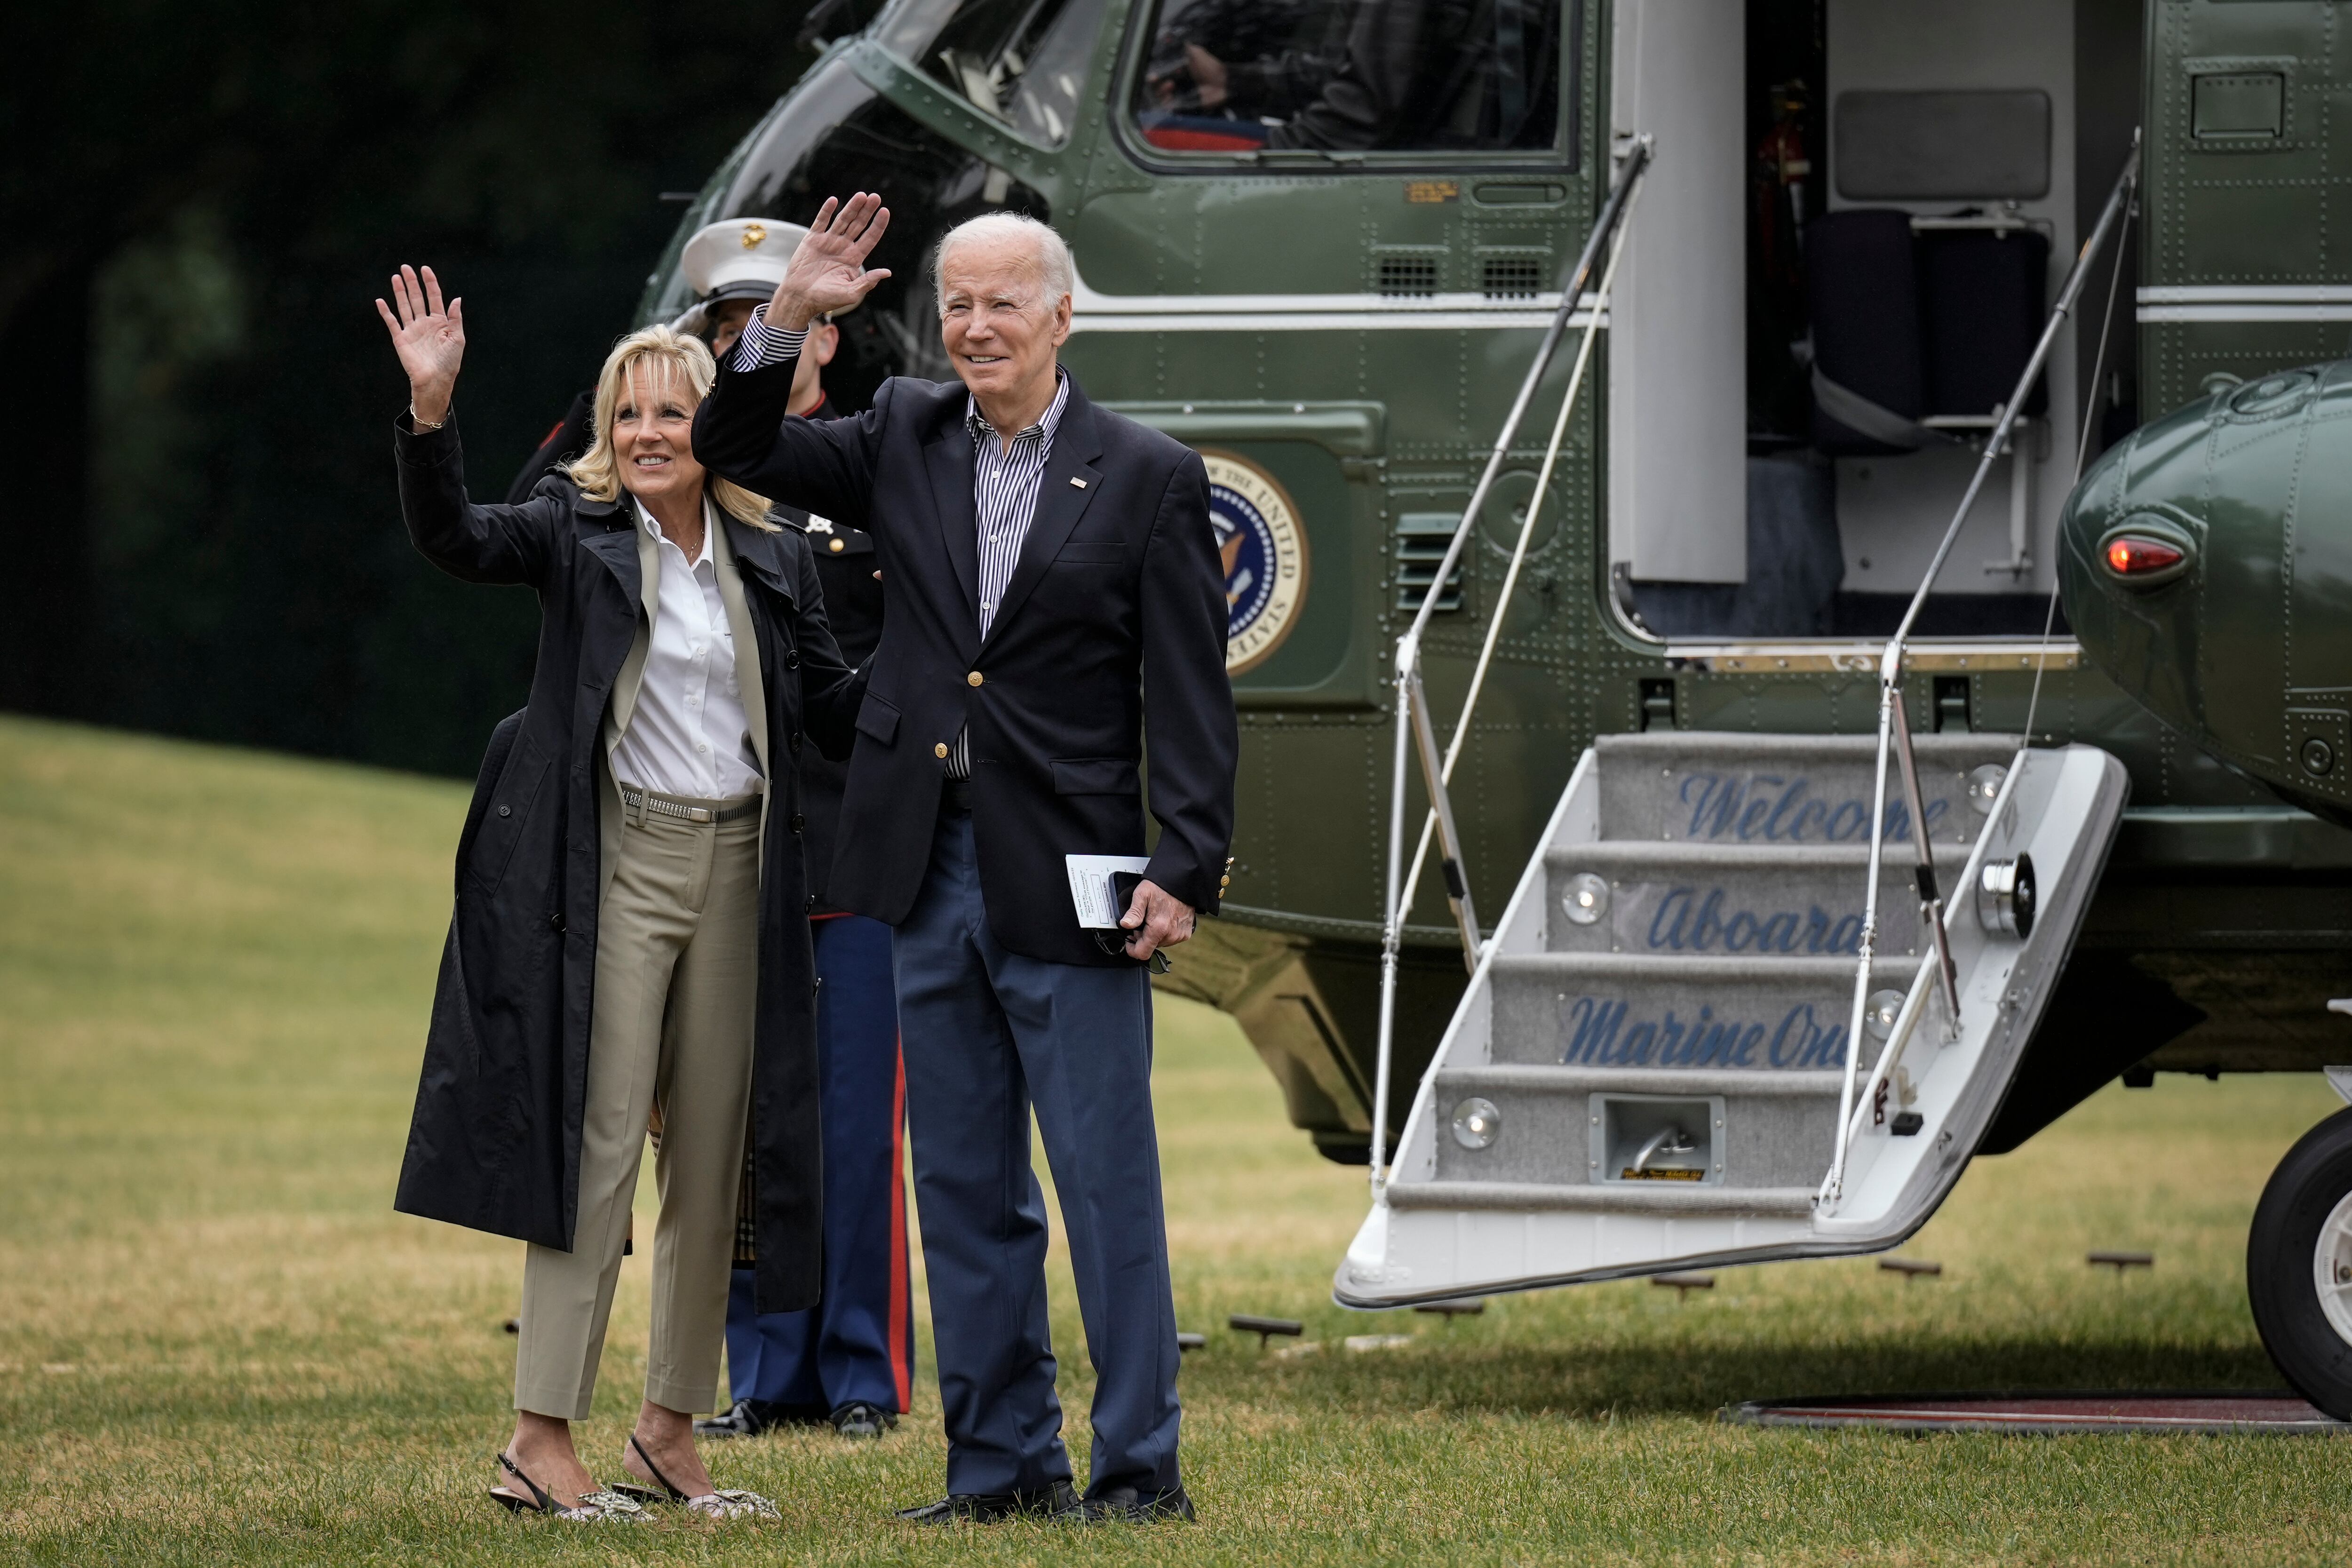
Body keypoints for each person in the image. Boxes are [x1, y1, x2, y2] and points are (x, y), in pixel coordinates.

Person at [692, 194, 1239, 1526]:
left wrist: (1186, 860)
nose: (977, 325)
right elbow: (729, 442)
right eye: (957, 302)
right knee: (961, 1185)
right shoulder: (901, 431)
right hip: (922, 865)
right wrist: (788, 312)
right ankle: (1000, 1469)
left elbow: (1190, 690)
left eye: (1004, 302)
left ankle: (1137, 1470)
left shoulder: (1149, 474)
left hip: (1076, 873)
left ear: (1063, 316)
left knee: (1105, 1186)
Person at [375, 264, 861, 1522]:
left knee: (713, 1155)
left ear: (717, 427)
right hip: (619, 865)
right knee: (596, 1147)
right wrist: (430, 411)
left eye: (671, 412)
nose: (647, 433)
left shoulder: (773, 551)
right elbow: (455, 537)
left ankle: (668, 1433)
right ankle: (539, 1437)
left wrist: (942, 658)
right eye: (626, 413)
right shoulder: (571, 529)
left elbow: (832, 707)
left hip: (743, 869)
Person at [692, 250, 916, 1445]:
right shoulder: (693, 466)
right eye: (730, 326)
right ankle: (767, 1372)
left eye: (776, 319)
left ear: (828, 334)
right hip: (733, 836)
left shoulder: (875, 454)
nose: (753, 341)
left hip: (851, 838)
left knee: (854, 1124)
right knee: (742, 1121)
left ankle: (863, 1371)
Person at [503, 219, 816, 505]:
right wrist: (628, 377)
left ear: (827, 341)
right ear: (717, 347)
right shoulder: (678, 453)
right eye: (733, 332)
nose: (750, 345)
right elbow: (525, 506)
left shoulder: (836, 453)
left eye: (774, 326)